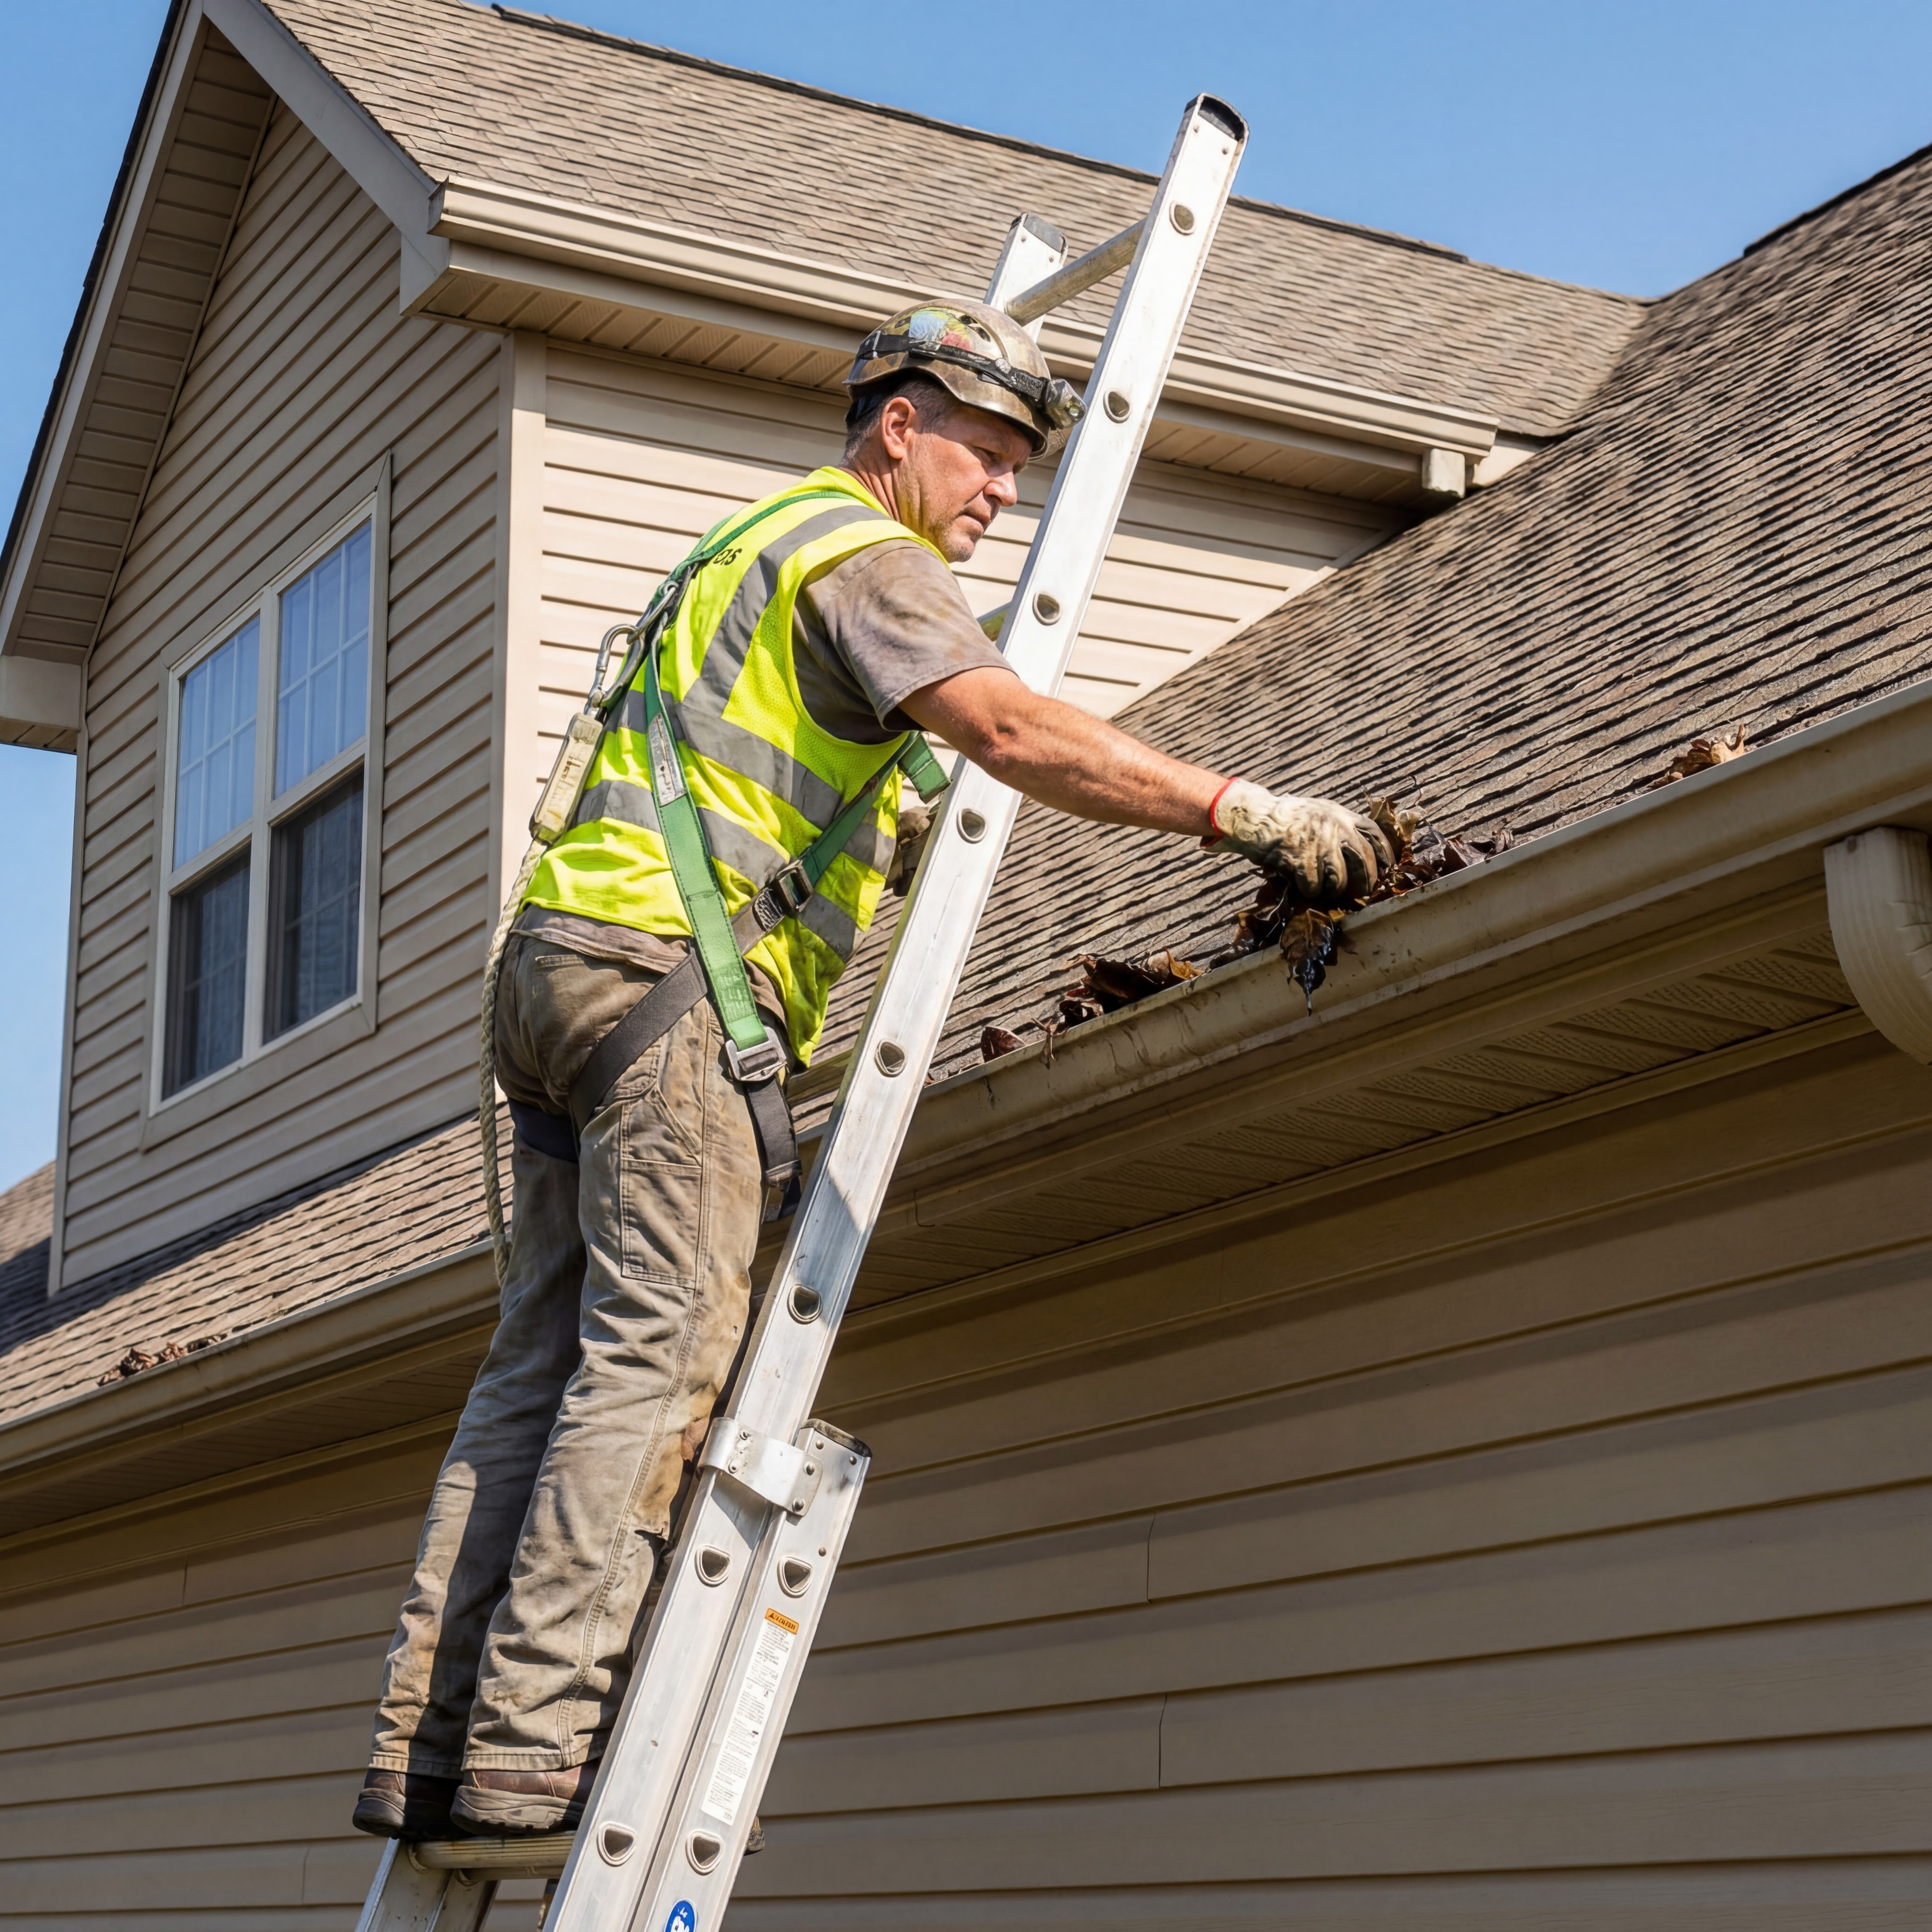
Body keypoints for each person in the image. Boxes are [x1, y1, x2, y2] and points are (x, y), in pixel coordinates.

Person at [354, 300, 1391, 1840]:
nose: (1002, 496)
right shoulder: (862, 551)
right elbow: (1014, 728)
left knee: (536, 1371)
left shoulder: (739, 551)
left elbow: (796, 766)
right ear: (897, 426)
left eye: (1028, 471)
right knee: (656, 1363)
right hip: (670, 994)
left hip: (557, 972)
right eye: (984, 455)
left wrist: (881, 823)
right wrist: (1244, 809)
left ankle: (429, 1748)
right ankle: (533, 1743)